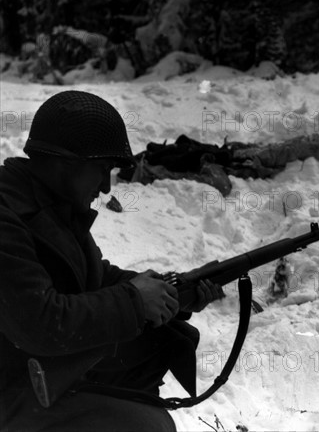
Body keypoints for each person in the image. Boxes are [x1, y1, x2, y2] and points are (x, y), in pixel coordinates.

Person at [0, 91, 224, 431]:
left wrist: (167, 290)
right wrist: (135, 300)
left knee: (156, 346)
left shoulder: (50, 202)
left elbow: (95, 278)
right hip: (10, 388)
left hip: (34, 374)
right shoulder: (7, 215)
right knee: (148, 426)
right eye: (101, 170)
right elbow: (41, 323)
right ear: (64, 162)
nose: (106, 187)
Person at [118, 134, 319, 196]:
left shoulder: (154, 157)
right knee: (308, 145)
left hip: (237, 153)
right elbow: (218, 183)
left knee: (311, 137)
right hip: (244, 162)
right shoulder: (155, 169)